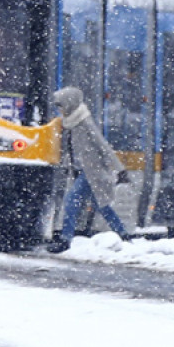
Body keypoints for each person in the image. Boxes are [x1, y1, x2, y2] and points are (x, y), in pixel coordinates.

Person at [48, 86, 129, 252]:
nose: (59, 110)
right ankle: (123, 234)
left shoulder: (84, 122)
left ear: (69, 104)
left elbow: (103, 146)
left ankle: (65, 239)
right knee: (102, 206)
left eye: (61, 106)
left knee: (71, 201)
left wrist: (120, 169)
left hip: (92, 172)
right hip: (84, 171)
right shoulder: (70, 122)